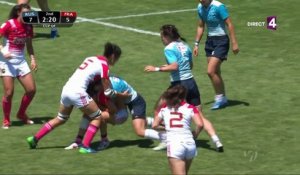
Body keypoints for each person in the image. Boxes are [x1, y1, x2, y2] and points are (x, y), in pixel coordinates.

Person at [26, 42, 122, 154]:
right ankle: (85, 146)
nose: (115, 61)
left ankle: (34, 139)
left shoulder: (91, 58)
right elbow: (107, 91)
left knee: (60, 118)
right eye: (117, 59)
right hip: (78, 92)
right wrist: (116, 95)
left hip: (66, 89)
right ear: (113, 56)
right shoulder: (104, 66)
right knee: (98, 117)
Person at [144, 24, 224, 152]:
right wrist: (168, 66)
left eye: (162, 37)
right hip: (191, 83)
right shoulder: (185, 46)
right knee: (200, 116)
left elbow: (175, 67)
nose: (161, 40)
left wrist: (156, 69)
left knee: (158, 109)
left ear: (167, 36)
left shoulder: (169, 48)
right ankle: (216, 141)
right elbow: (189, 65)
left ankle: (167, 138)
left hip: (179, 85)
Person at [65, 75, 166, 150]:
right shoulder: (105, 84)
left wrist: (101, 107)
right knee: (93, 114)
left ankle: (166, 139)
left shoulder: (109, 90)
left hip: (134, 103)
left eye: (93, 88)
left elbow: (115, 108)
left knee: (139, 131)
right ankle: (79, 141)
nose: (92, 90)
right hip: (123, 103)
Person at [193, 0, 239, 110]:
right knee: (216, 71)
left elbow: (229, 24)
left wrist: (234, 43)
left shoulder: (219, 6)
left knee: (210, 71)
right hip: (210, 41)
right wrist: (196, 44)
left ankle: (219, 98)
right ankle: (223, 99)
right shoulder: (200, 7)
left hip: (221, 41)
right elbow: (200, 26)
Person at [0, 4, 37, 129]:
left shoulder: (28, 26)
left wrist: (32, 59)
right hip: (6, 62)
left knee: (31, 90)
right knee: (9, 93)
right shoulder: (9, 24)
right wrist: (3, 50)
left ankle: (21, 114)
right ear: (18, 13)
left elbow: (29, 45)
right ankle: (6, 119)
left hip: (20, 62)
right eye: (25, 13)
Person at [152, 85, 203, 175]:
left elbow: (155, 125)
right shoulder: (191, 107)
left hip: (175, 144)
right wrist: (195, 134)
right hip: (190, 144)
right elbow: (200, 124)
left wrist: (166, 128)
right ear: (184, 96)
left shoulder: (164, 108)